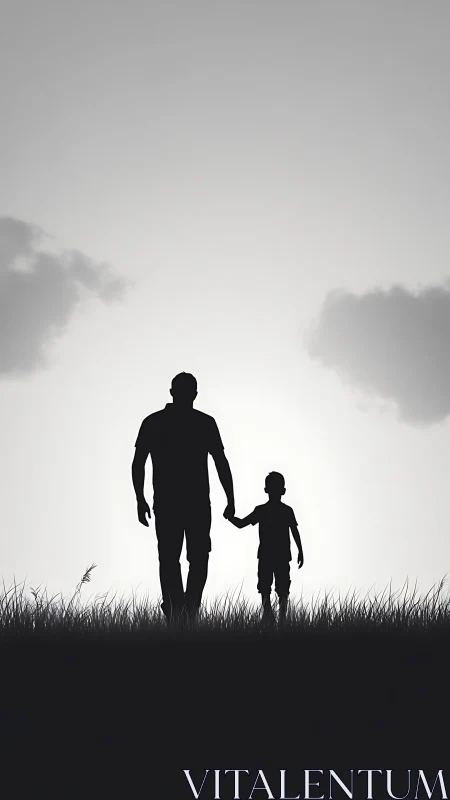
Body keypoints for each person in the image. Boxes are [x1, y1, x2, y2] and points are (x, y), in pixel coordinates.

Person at [132, 372, 235, 619]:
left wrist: (140, 498)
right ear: (195, 395)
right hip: (192, 503)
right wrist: (230, 499)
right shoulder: (203, 423)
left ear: (171, 392)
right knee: (191, 559)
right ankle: (183, 612)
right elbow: (221, 462)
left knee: (174, 559)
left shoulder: (154, 422)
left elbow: (138, 463)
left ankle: (181, 612)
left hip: (174, 503)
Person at [225, 471, 303, 620]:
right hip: (275, 555)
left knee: (271, 588)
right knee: (276, 588)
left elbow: (241, 524)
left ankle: (273, 619)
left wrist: (229, 517)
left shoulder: (266, 511)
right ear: (283, 491)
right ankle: (275, 619)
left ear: (266, 490)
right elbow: (294, 531)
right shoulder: (283, 511)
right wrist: (300, 551)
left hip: (270, 555)